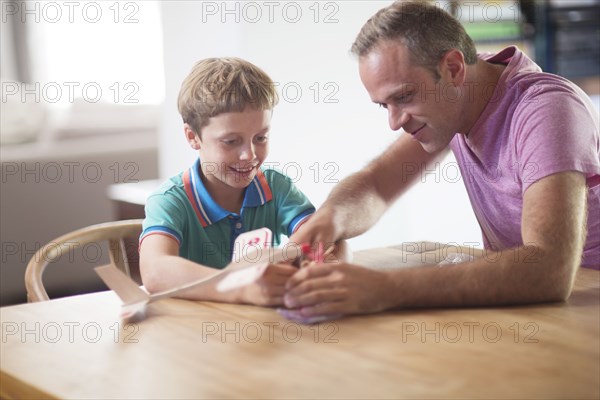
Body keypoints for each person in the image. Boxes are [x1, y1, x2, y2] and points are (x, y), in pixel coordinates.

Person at [284, 1, 600, 318]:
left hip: (584, 306)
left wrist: (385, 288)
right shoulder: (464, 95)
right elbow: (378, 185)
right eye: (384, 105)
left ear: (453, 69)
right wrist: (328, 220)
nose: (394, 123)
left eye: (404, 97)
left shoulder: (546, 109)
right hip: (534, 308)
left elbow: (548, 269)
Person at [139, 57, 316, 306]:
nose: (250, 155)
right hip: (194, 335)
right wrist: (240, 288)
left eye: (261, 138)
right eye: (231, 141)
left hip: (265, 333)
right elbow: (155, 271)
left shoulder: (277, 187)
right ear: (193, 137)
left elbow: (329, 238)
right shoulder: (170, 201)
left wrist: (317, 266)